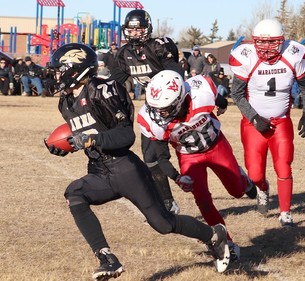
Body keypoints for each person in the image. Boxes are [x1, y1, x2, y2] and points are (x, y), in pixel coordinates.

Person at [44, 43, 231, 280]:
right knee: (75, 194)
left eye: (60, 70)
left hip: (125, 168)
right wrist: (67, 146)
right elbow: (84, 134)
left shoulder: (101, 90)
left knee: (163, 224)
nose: (56, 75)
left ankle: (214, 235)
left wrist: (89, 140)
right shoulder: (65, 101)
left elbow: (125, 136)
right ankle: (107, 259)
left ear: (75, 70)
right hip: (100, 170)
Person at [137, 70, 257, 261]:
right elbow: (160, 157)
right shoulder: (153, 120)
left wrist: (222, 106)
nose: (158, 113)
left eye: (164, 108)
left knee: (236, 191)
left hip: (216, 146)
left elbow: (220, 99)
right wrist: (177, 177)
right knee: (202, 200)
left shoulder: (200, 93)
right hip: (188, 156)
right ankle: (226, 242)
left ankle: (245, 181)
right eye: (155, 107)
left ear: (179, 101)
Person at [229, 19, 305, 227]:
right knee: (255, 173)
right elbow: (237, 94)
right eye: (261, 42)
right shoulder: (246, 56)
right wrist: (254, 118)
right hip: (253, 124)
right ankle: (262, 188)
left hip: (281, 122)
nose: (266, 48)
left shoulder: (293, 54)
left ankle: (285, 213)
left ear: (282, 41)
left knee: (284, 167)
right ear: (254, 41)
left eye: (272, 42)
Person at [109, 9, 183, 214]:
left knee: (194, 152)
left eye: (138, 29)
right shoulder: (125, 54)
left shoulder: (158, 46)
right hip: (153, 111)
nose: (134, 34)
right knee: (151, 160)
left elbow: (176, 73)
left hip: (178, 107)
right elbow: (113, 84)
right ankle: (168, 202)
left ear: (147, 28)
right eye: (130, 30)